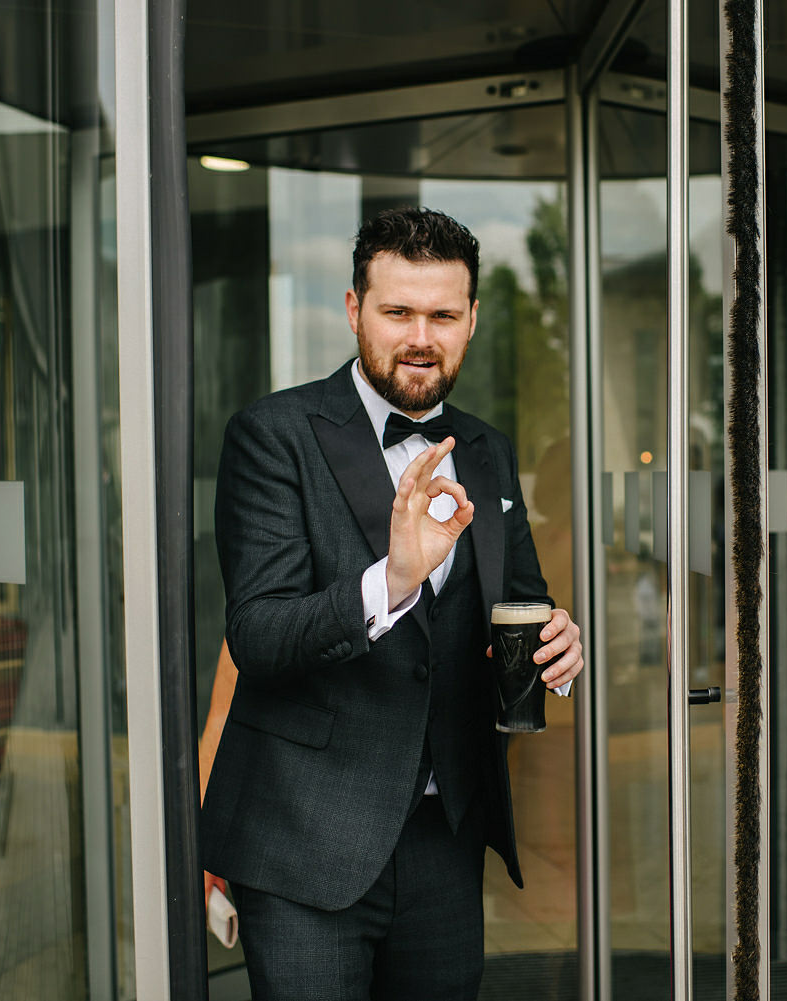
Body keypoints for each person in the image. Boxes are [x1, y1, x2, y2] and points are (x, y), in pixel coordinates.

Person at [200, 207, 584, 1000]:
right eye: (397, 311)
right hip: (305, 843)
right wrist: (393, 580)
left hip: (445, 839)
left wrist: (561, 646)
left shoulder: (486, 449)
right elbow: (261, 634)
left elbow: (523, 602)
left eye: (443, 314)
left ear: (472, 319)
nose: (420, 335)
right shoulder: (272, 435)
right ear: (353, 309)